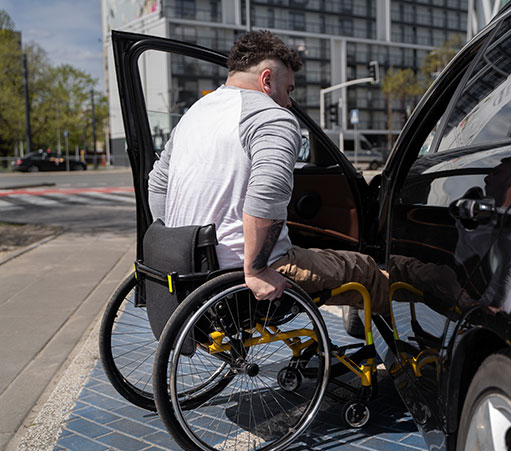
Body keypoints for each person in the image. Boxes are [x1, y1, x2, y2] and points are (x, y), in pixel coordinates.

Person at [148, 30, 388, 314]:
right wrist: (255, 270)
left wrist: (176, 248)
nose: (288, 102)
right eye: (288, 90)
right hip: (244, 274)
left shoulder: (194, 114)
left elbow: (158, 183)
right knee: (367, 270)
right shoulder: (271, 117)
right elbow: (266, 195)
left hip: (191, 272)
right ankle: (399, 350)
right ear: (267, 80)